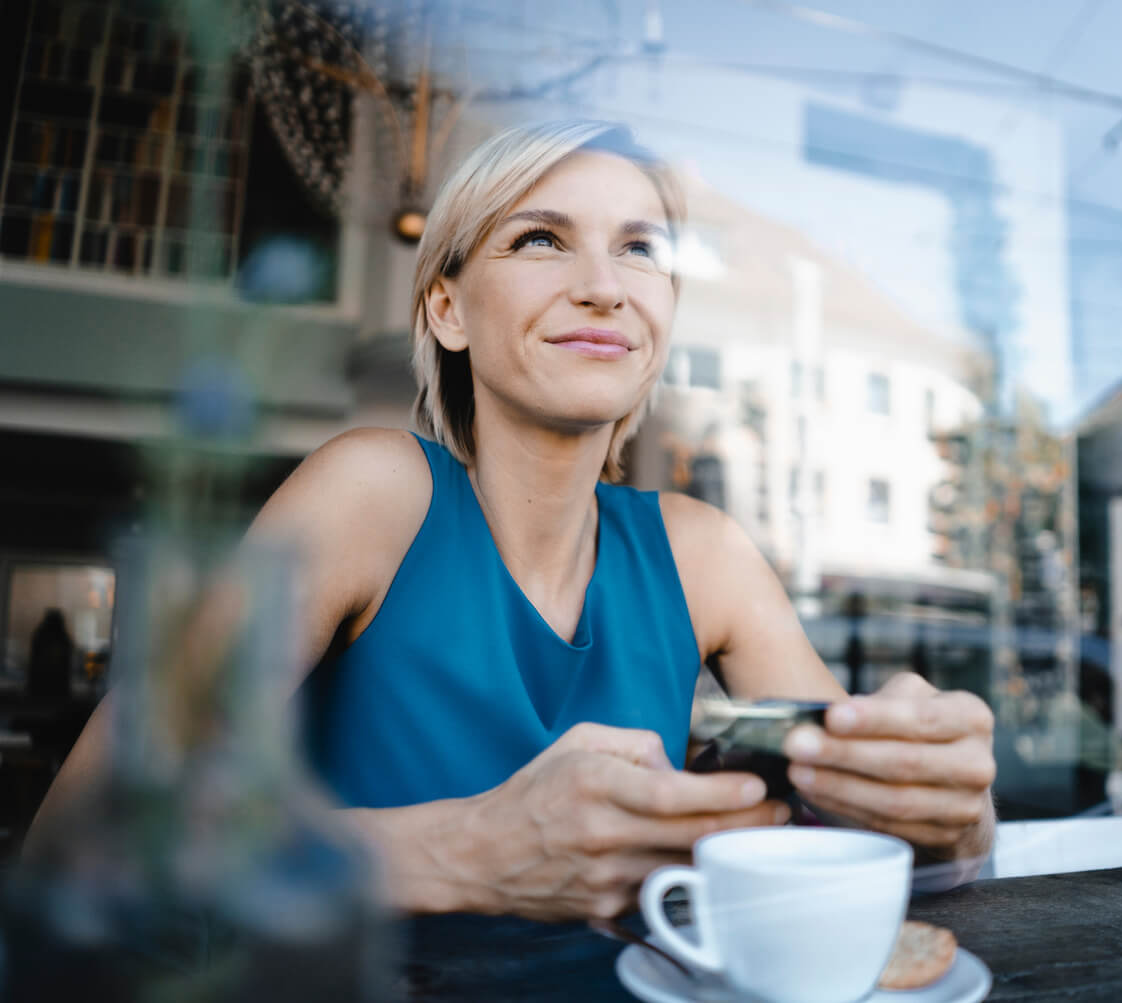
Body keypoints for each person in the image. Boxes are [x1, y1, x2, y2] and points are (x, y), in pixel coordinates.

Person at [26, 121, 996, 920]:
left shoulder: (702, 553)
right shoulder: (375, 493)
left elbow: (870, 860)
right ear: (447, 307)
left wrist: (944, 816)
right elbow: (80, 838)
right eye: (540, 239)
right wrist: (459, 852)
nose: (604, 286)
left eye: (640, 249)